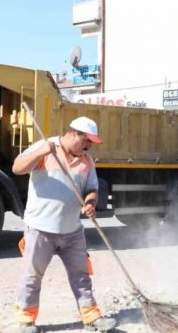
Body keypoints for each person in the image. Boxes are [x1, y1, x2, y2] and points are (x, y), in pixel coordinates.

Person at [12, 116, 116, 333]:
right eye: (86, 140)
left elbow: (92, 189)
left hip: (72, 231)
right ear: (73, 134)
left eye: (91, 143)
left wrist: (90, 203)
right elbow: (17, 168)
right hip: (40, 229)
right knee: (32, 276)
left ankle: (92, 318)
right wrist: (41, 152)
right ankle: (25, 320)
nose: (89, 146)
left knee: (81, 276)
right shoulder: (45, 146)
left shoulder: (87, 161)